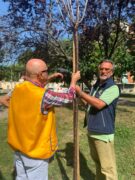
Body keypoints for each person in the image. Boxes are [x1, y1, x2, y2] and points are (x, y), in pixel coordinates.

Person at [8, 58, 80, 180]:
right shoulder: (44, 95)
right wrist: (73, 81)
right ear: (41, 74)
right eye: (46, 71)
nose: (48, 73)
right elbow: (69, 97)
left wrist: (50, 77)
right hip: (35, 152)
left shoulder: (17, 89)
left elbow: (34, 86)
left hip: (19, 147)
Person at [76, 60, 120, 180]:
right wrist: (79, 96)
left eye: (107, 69)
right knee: (99, 165)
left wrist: (81, 93)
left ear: (112, 72)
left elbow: (99, 104)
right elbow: (89, 105)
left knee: (108, 170)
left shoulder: (113, 88)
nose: (104, 71)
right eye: (102, 69)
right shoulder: (96, 86)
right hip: (92, 131)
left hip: (103, 133)